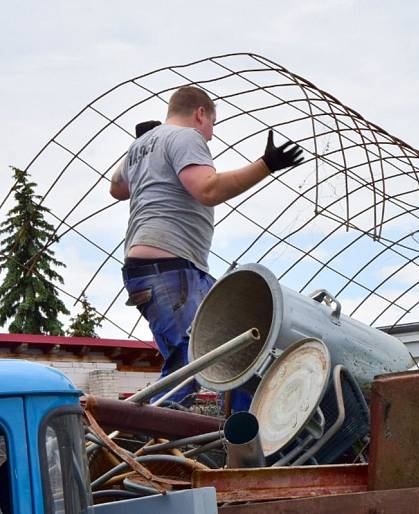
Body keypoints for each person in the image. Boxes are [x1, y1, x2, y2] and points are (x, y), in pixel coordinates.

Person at [110, 86, 304, 407]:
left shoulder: (143, 145)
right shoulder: (186, 137)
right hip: (171, 270)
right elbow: (207, 189)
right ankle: (148, 435)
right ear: (200, 113)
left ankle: (244, 432)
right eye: (212, 125)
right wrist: (266, 164)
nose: (210, 137)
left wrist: (139, 147)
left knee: (232, 343)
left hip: (162, 271)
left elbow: (117, 188)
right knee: (193, 360)